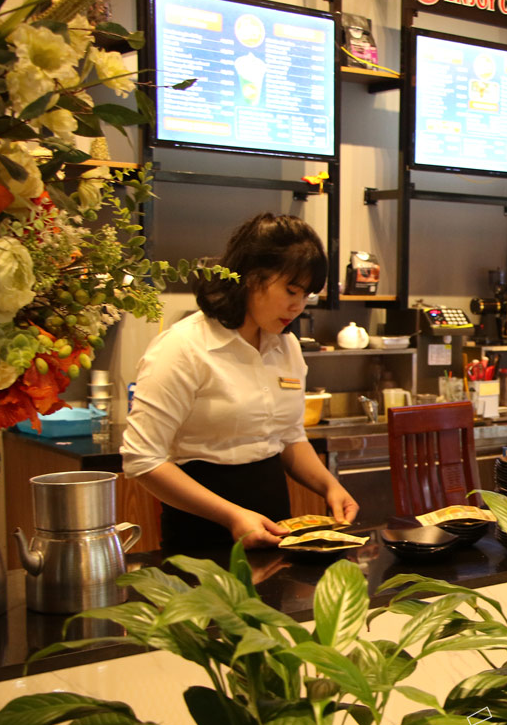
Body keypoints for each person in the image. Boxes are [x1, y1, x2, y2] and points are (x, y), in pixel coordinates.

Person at [121, 213, 359, 552]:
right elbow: (142, 460)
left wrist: (329, 486)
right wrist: (232, 516)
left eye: (306, 294)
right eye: (291, 290)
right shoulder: (183, 347)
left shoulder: (286, 346)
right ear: (250, 277)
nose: (298, 306)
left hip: (275, 528)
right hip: (201, 533)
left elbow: (289, 437)